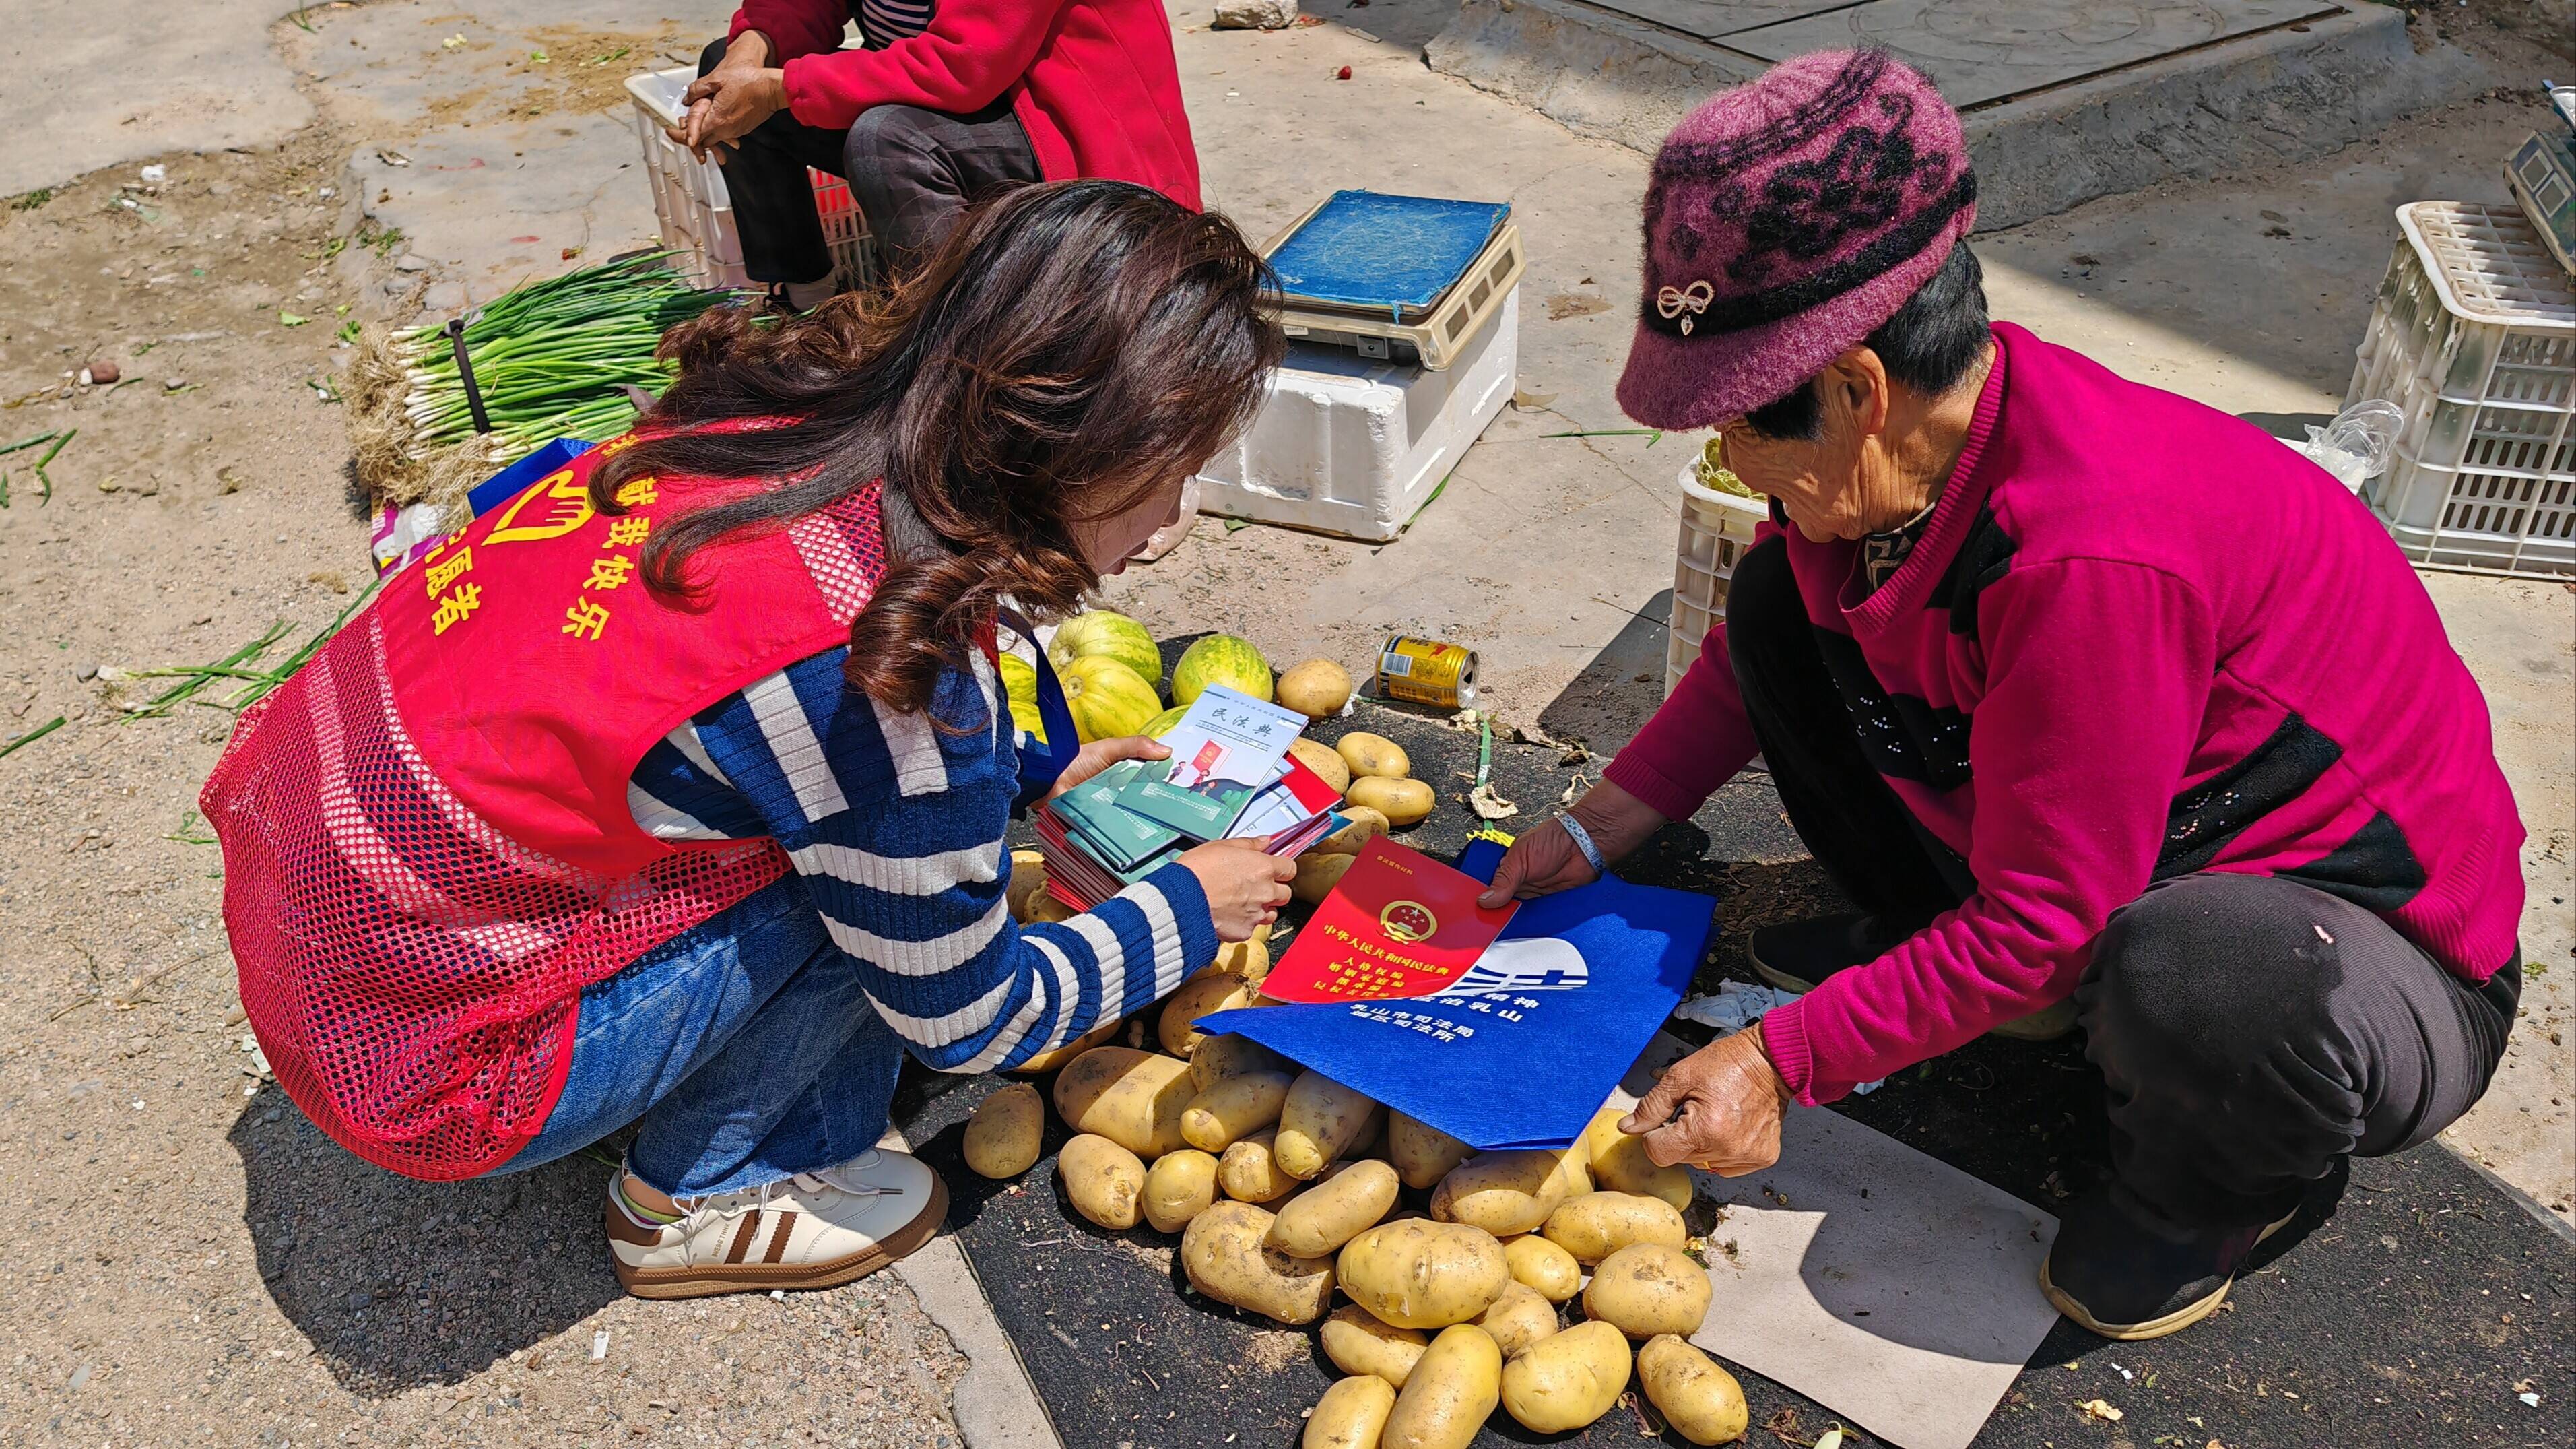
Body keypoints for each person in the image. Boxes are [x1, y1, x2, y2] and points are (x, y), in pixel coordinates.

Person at [1482, 51, 2526, 1342]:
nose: (1725, 458)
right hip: (2113, 859)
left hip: (2352, 954)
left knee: (2207, 975)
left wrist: (1782, 1056)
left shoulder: (2091, 553)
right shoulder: (1912, 454)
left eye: (1744, 426)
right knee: (1772, 610)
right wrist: (1600, 826)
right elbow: (1748, 671)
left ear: (1860, 391)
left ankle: (2202, 1194)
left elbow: (2048, 908)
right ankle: (2004, 997)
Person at [201, 181, 1296, 1299]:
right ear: (1075, 445)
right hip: (426, 1070)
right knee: (875, 900)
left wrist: (1016, 777)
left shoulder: (769, 421)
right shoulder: (888, 690)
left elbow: (733, 726)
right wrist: (1180, 913)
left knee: (872, 847)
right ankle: (700, 1193)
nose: (1177, 513)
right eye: (1174, 462)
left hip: (323, 931)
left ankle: (661, 1072)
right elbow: (973, 1020)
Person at [679, 0, 1202, 305]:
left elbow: (963, 64)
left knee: (885, 140)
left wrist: (778, 87)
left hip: (1060, 132)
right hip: (938, 108)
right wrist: (747, 57)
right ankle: (809, 303)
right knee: (723, 69)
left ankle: (955, 349)